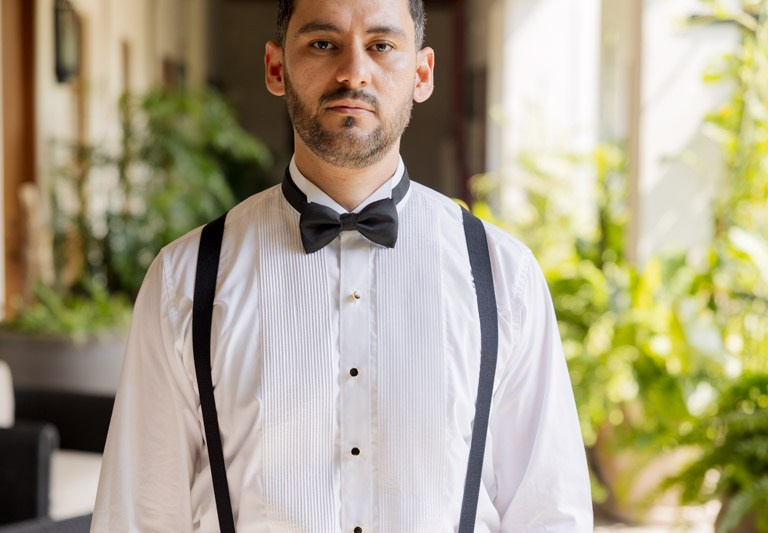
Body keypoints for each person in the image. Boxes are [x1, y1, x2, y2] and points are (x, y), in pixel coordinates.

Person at [91, 0, 593, 530]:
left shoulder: (503, 277)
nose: (353, 72)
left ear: (421, 74)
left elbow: (549, 513)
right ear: (276, 68)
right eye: (323, 44)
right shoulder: (186, 280)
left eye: (381, 45)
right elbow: (139, 516)